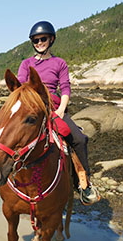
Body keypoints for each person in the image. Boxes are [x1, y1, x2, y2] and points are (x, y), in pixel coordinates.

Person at [17, 21, 100, 205]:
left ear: (51, 39)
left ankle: (84, 185)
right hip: (31, 108)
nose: (39, 42)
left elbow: (65, 88)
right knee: (0, 137)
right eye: (36, 40)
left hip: (54, 109)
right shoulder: (26, 64)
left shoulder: (59, 63)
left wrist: (62, 109)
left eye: (43, 39)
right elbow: (20, 87)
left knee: (79, 139)